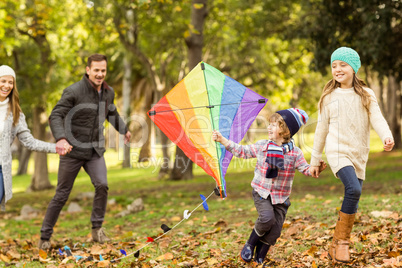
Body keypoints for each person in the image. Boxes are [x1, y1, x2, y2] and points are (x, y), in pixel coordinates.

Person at [309, 47, 395, 264]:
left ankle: (335, 245)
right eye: (334, 65)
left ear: (354, 68)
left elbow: (377, 117)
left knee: (354, 197)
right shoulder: (329, 97)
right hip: (337, 151)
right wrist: (314, 158)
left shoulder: (366, 94)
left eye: (343, 65)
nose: (337, 69)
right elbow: (321, 129)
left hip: (359, 152)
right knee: (353, 189)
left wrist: (386, 135)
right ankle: (342, 244)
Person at [39, 54, 131, 250]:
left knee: (102, 185)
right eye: (96, 70)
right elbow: (56, 115)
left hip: (94, 151)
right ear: (88, 70)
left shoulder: (108, 92)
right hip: (72, 151)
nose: (100, 74)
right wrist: (61, 138)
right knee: (61, 195)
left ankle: (97, 229)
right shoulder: (73, 91)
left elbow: (111, 112)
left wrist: (124, 129)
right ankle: (45, 237)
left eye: (103, 71)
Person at [213, 108, 327, 264]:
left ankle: (260, 257)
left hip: (281, 197)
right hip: (262, 192)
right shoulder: (263, 146)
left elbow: (306, 169)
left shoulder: (295, 153)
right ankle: (250, 244)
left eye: (274, 125)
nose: (269, 127)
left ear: (286, 130)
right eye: (270, 124)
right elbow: (242, 151)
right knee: (267, 219)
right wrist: (223, 140)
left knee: (275, 231)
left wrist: (316, 168)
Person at [0, 65, 68, 211]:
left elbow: (29, 142)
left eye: (10, 82)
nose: (7, 85)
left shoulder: (15, 113)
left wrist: (55, 147)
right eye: (3, 81)